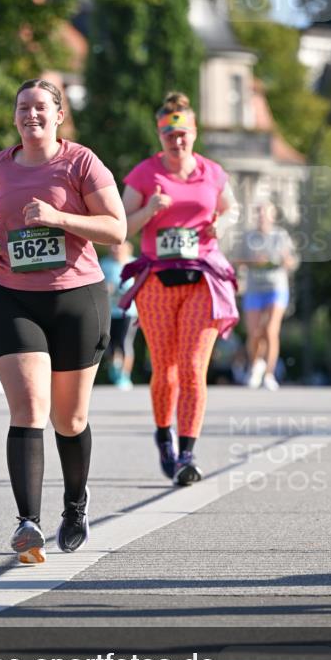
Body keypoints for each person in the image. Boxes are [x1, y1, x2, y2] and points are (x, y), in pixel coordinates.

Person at [0, 79, 125, 564]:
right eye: (22, 107)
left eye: (40, 107)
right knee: (29, 408)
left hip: (76, 298)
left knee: (70, 417)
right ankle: (27, 523)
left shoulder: (80, 162)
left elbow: (117, 228)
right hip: (14, 296)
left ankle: (75, 506)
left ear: (58, 115)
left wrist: (59, 218)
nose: (30, 114)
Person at [120, 92, 239, 486]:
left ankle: (187, 452)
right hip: (157, 281)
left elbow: (231, 207)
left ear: (194, 132)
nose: (177, 141)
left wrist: (222, 223)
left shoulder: (212, 172)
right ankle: (163, 436)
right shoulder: (143, 175)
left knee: (191, 367)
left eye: (183, 133)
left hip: (202, 277)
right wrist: (150, 209)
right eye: (170, 134)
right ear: (160, 135)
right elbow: (122, 228)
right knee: (165, 370)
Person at [238, 201, 297, 391]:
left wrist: (284, 260)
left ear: (272, 216)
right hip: (254, 289)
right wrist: (253, 261)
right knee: (255, 333)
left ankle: (270, 374)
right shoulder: (248, 237)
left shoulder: (281, 236)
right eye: (259, 214)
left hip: (276, 287)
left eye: (265, 213)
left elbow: (292, 261)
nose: (262, 217)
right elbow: (237, 261)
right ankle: (256, 365)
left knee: (271, 330)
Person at [99, 241, 137, 389]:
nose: (115, 248)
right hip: (109, 311)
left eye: (119, 245)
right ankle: (115, 368)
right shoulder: (104, 264)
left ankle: (125, 376)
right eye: (113, 245)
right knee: (109, 345)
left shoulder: (134, 263)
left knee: (124, 342)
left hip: (128, 312)